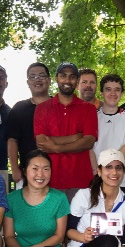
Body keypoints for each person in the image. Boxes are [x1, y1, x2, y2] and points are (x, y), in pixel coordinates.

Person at [34, 62, 98, 201]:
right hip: (50, 180)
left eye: (72, 76)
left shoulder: (88, 109)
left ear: (77, 80)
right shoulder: (42, 108)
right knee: (51, 223)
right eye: (63, 76)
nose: (67, 80)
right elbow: (42, 142)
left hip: (80, 181)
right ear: (56, 78)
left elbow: (88, 141)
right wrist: (76, 137)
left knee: (78, 223)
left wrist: (56, 147)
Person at [6, 62, 51, 190]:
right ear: (28, 82)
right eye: (33, 76)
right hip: (26, 174)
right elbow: (12, 140)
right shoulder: (19, 108)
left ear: (49, 80)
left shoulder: (58, 107)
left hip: (56, 172)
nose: (37, 79)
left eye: (42, 76)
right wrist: (14, 168)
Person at [91, 73, 125, 195]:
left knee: (118, 213)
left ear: (122, 93)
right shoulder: (92, 116)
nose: (113, 94)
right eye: (108, 89)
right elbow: (89, 146)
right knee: (98, 214)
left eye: (117, 90)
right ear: (101, 93)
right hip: (96, 177)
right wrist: (99, 171)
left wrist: (111, 169)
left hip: (120, 179)